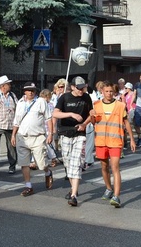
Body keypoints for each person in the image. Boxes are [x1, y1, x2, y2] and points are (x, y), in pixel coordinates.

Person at [88, 81, 136, 208]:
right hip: (101, 141)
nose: (109, 93)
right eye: (106, 91)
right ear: (102, 92)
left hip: (115, 141)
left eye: (111, 91)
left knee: (115, 167)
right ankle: (108, 188)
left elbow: (126, 122)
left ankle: (116, 196)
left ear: (114, 92)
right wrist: (92, 116)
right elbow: (94, 122)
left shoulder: (120, 105)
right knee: (104, 167)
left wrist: (131, 139)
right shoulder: (96, 105)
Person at [52, 76, 93, 207]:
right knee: (68, 162)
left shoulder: (86, 97)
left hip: (79, 134)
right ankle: (73, 188)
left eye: (83, 88)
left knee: (76, 163)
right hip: (65, 133)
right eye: (79, 88)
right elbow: (55, 114)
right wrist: (70, 114)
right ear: (73, 87)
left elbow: (91, 113)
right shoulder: (64, 98)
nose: (82, 91)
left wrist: (84, 124)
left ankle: (74, 195)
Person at [11, 82, 54, 196]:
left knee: (41, 164)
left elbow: (48, 118)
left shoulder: (41, 101)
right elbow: (16, 121)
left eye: (33, 90)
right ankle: (28, 186)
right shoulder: (20, 103)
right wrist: (13, 135)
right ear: (24, 91)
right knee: (24, 163)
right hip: (22, 137)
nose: (31, 92)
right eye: (28, 90)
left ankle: (48, 172)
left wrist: (50, 133)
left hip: (37, 137)